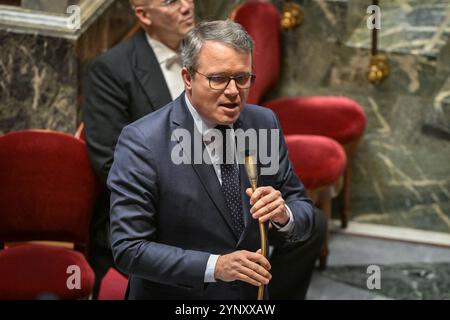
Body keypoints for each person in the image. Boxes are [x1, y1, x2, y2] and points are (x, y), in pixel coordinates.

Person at [107, 20, 326, 300]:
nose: (234, 92)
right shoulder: (143, 141)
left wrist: (284, 216)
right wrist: (215, 266)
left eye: (242, 78)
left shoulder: (263, 123)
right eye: (218, 79)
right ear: (188, 78)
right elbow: (129, 249)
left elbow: (303, 209)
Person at [82, 0, 195, 297]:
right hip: (150, 212)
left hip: (212, 199)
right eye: (171, 1)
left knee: (306, 228)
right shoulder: (111, 69)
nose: (187, 6)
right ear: (143, 15)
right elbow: (110, 160)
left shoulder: (207, 54)